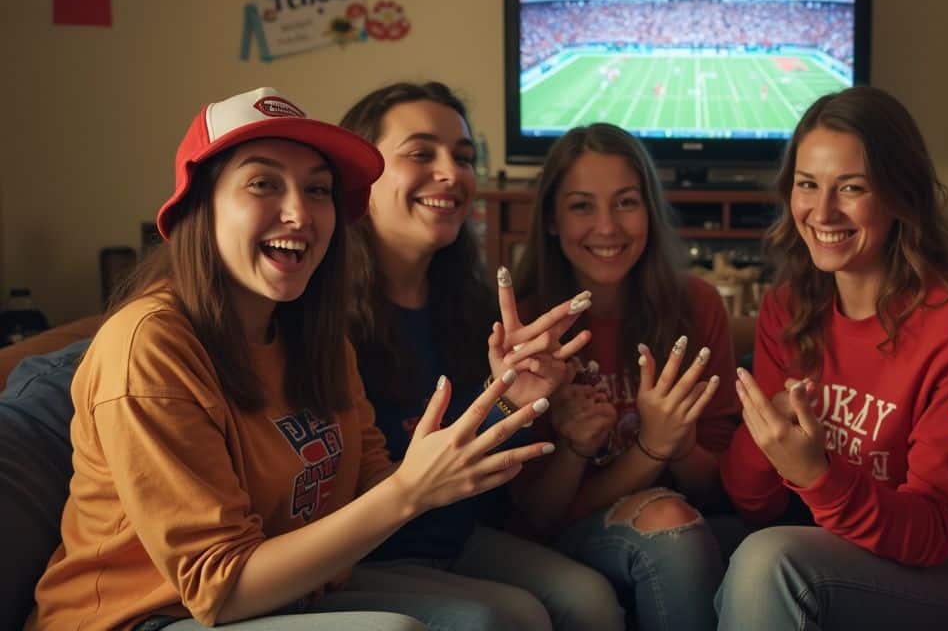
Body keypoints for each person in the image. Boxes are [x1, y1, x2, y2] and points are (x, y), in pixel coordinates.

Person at [28, 88, 555, 631]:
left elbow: (373, 487)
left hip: (291, 594)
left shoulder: (316, 335)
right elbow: (220, 589)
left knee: (513, 616)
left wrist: (487, 424)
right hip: (143, 616)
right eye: (263, 183)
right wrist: (408, 491)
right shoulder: (149, 345)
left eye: (318, 189)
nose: (299, 212)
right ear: (197, 206)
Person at [716, 86, 948, 630]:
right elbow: (752, 503)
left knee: (767, 562)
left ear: (899, 196)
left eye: (851, 188)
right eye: (807, 185)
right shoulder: (788, 307)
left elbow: (934, 532)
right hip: (831, 546)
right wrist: (770, 440)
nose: (822, 212)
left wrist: (815, 473)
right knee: (689, 541)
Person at [338, 82, 625, 631]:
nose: (451, 172)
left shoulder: (476, 308)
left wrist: (521, 402)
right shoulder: (323, 312)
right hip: (362, 551)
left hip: (456, 538)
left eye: (463, 157)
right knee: (502, 617)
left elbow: (495, 489)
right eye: (422, 153)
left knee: (589, 599)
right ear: (361, 174)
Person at [508, 122, 739, 631]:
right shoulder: (527, 325)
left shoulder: (696, 305)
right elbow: (532, 520)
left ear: (650, 212)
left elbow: (722, 489)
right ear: (551, 219)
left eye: (626, 202)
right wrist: (621, 451)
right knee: (670, 525)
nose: (607, 227)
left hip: (684, 522)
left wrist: (677, 447)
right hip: (564, 539)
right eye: (582, 206)